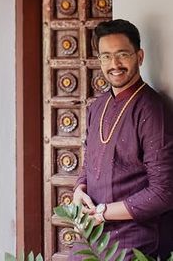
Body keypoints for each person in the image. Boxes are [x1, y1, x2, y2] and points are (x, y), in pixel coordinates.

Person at [70, 19, 173, 260]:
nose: (114, 64)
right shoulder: (97, 107)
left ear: (139, 56)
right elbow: (89, 165)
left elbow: (164, 192)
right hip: (92, 235)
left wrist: (103, 212)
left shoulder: (151, 109)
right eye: (106, 56)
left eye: (122, 54)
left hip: (135, 240)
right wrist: (78, 191)